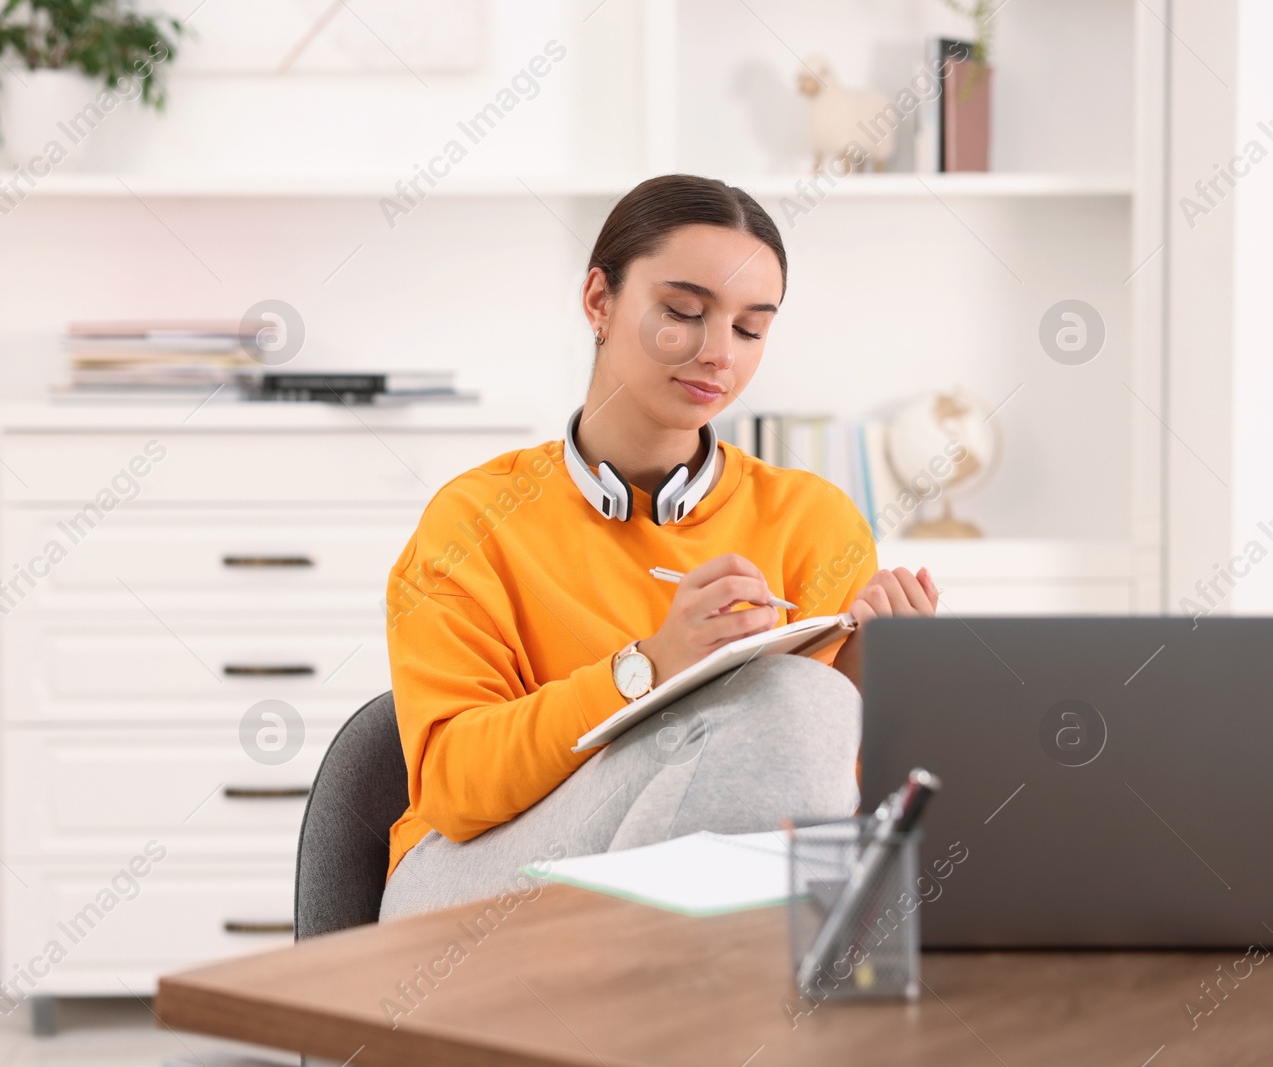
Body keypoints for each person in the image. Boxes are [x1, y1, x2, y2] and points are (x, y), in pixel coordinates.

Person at [378, 174, 940, 920]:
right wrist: (648, 667)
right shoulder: (475, 516)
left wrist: (881, 675)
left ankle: (657, 1006)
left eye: (749, 329)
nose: (718, 354)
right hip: (468, 878)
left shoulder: (815, 520)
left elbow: (823, 811)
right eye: (682, 313)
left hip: (683, 903)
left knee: (809, 711)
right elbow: (454, 790)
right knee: (793, 702)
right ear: (599, 302)